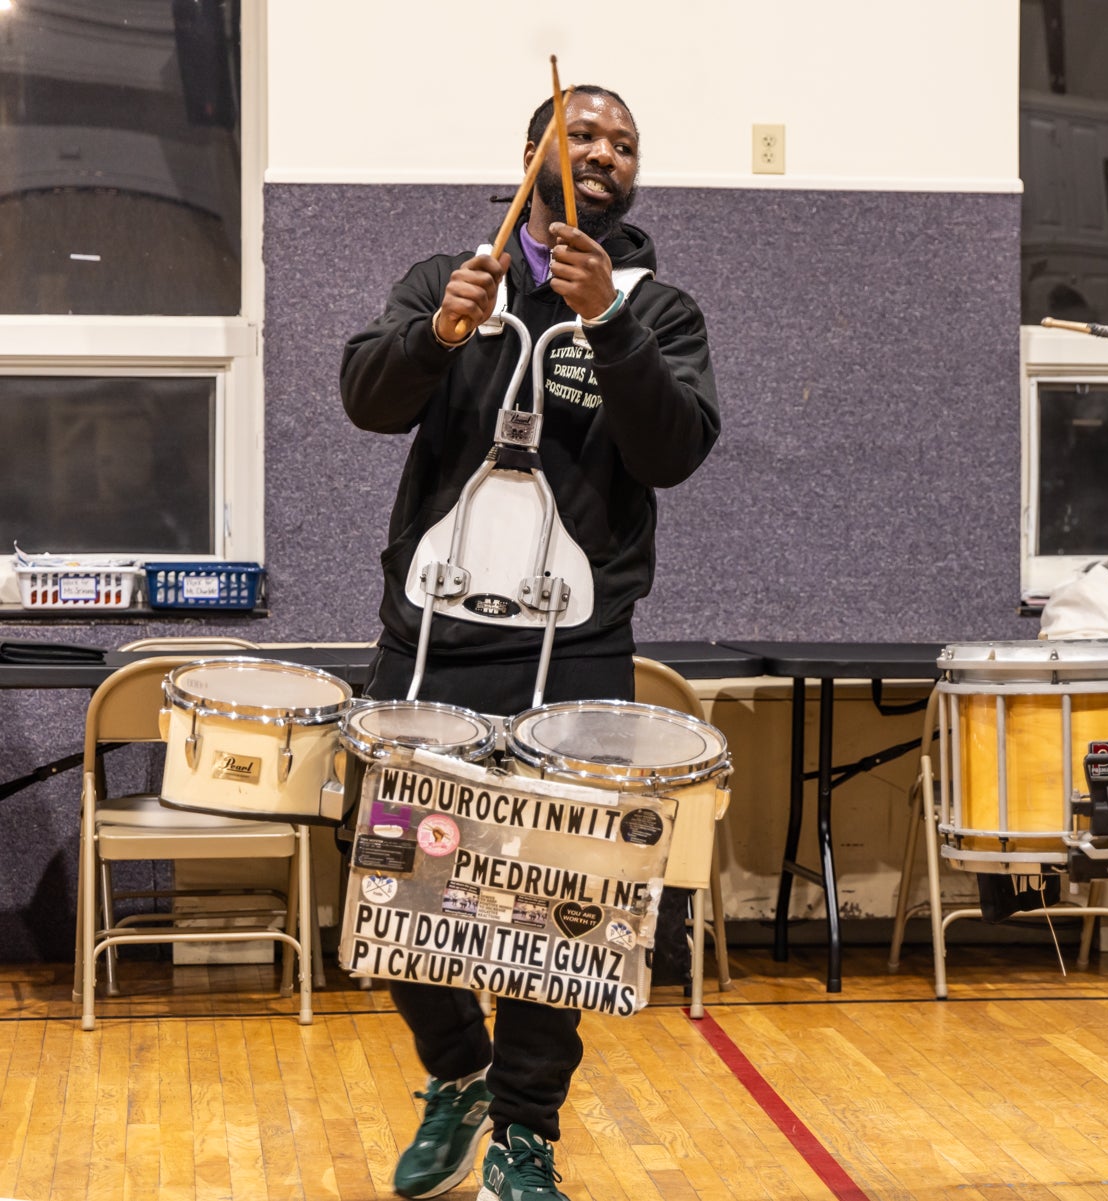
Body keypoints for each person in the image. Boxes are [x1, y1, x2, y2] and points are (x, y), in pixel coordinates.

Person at [340, 84, 719, 1201]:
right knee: (384, 876)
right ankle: (458, 1071)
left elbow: (674, 451)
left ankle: (526, 1133)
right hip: (429, 641)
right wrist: (433, 334)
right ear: (531, 155)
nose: (607, 153)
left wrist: (610, 325)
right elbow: (366, 396)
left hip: (579, 645)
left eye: (625, 144)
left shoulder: (662, 307)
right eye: (585, 134)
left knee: (560, 903)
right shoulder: (450, 275)